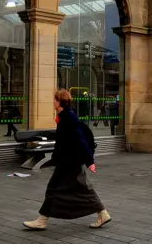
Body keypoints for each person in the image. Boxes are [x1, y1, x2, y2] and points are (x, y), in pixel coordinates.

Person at [23, 89, 111, 231]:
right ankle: (103, 213)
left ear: (60, 102)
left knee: (54, 187)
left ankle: (42, 220)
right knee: (82, 187)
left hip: (69, 161)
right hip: (68, 160)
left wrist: (90, 161)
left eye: (54, 99)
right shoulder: (64, 116)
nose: (53, 102)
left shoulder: (69, 118)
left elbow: (80, 140)